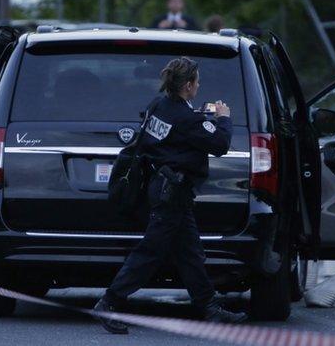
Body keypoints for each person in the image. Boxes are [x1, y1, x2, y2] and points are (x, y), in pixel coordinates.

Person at [93, 57, 247, 334]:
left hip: (166, 188)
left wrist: (198, 118)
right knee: (152, 251)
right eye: (197, 82)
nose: (199, 86)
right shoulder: (186, 118)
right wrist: (223, 118)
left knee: (189, 253)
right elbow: (220, 144)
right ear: (188, 85)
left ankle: (209, 308)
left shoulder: (160, 105)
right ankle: (110, 301)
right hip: (171, 192)